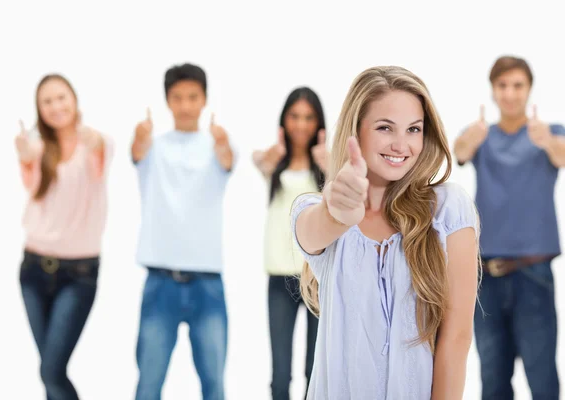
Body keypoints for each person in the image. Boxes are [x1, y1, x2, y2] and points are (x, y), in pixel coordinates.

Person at [291, 66, 480, 399]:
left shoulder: (449, 210)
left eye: (413, 129)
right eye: (384, 128)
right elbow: (313, 231)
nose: (401, 144)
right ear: (356, 132)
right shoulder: (315, 210)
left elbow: (457, 337)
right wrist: (338, 215)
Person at [454, 55, 565, 400]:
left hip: (533, 273)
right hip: (485, 276)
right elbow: (457, 152)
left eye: (517, 85)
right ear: (493, 90)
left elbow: (562, 155)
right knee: (492, 378)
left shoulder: (550, 133)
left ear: (529, 89)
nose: (510, 93)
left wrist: (545, 140)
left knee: (542, 374)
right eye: (502, 86)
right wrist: (469, 140)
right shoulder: (481, 136)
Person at [131, 63, 236, 400]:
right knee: (148, 383)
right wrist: (139, 138)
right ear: (167, 100)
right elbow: (136, 154)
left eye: (193, 97)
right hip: (160, 280)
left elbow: (228, 160)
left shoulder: (217, 144)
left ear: (204, 99)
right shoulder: (152, 146)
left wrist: (222, 143)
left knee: (214, 385)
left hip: (207, 282)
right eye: (178, 97)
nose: (186, 105)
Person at [16, 73, 113, 400]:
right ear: (39, 110)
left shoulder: (95, 143)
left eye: (61, 98)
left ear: (74, 100)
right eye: (47, 101)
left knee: (52, 371)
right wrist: (25, 157)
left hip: (79, 274)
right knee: (49, 371)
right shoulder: (38, 147)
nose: (55, 106)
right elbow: (32, 187)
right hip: (32, 269)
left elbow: (102, 146)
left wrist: (90, 136)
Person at [253, 87, 328, 400]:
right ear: (285, 120)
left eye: (308, 117)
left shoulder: (327, 163)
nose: (301, 124)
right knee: (280, 375)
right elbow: (259, 161)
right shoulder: (274, 163)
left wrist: (329, 164)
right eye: (295, 116)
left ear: (318, 123)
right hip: (280, 279)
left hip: (318, 278)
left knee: (316, 371)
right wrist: (271, 158)